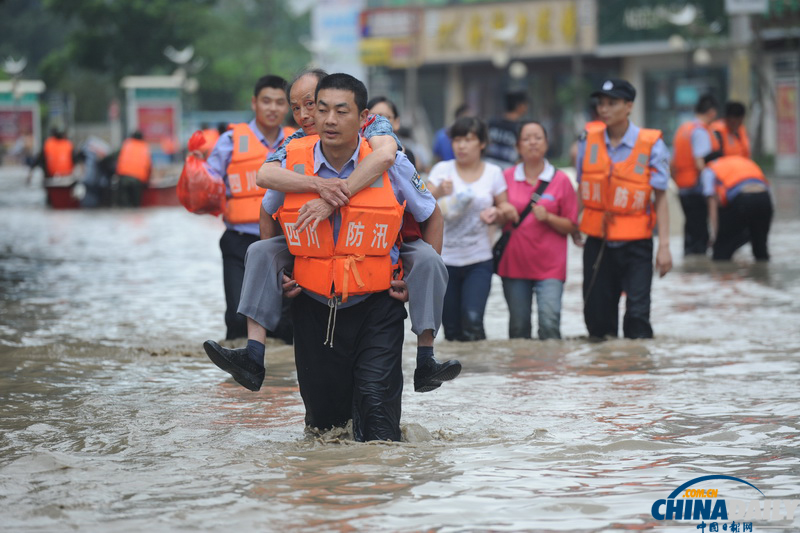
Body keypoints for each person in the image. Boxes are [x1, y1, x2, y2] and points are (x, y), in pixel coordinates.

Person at [204, 69, 459, 394]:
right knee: (259, 252)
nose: (308, 116)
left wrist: (334, 198)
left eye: (316, 105)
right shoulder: (294, 145)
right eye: (298, 108)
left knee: (429, 261)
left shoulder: (378, 132)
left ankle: (426, 358)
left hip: (379, 252)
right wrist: (318, 188)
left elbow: (390, 163)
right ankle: (253, 355)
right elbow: (265, 186)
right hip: (314, 260)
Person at [269, 73, 441, 441]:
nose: (330, 120)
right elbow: (266, 214)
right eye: (323, 109)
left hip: (377, 306)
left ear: (363, 118)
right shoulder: (292, 164)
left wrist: (417, 279)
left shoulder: (391, 162)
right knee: (324, 429)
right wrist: (280, 274)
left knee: (379, 422)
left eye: (341, 111)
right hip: (313, 305)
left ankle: (378, 490)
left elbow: (432, 213)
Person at [575, 78, 672, 340]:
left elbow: (661, 198)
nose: (604, 109)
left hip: (637, 242)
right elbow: (582, 188)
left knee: (638, 316)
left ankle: (637, 372)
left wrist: (664, 246)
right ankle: (605, 375)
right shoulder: (587, 141)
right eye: (601, 103)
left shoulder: (652, 144)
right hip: (598, 240)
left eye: (612, 103)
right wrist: (574, 223)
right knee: (598, 318)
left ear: (628, 106)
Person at [204, 74, 292, 341]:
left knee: (286, 322)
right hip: (239, 241)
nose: (273, 108)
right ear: (254, 103)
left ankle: (281, 378)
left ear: (288, 107)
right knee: (237, 317)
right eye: (266, 101)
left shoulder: (297, 141)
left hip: (286, 242)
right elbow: (207, 182)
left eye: (279, 102)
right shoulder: (230, 141)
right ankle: (235, 372)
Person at [427, 116, 517, 341]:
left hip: (479, 259)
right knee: (451, 328)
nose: (461, 146)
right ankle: (461, 376)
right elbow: (421, 204)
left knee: (473, 319)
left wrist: (497, 213)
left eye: (468, 139)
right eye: (457, 140)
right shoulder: (441, 170)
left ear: (482, 143)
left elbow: (506, 207)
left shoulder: (493, 173)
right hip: (445, 260)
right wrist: (438, 191)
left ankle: (481, 371)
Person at [497, 121, 578, 340]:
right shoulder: (505, 177)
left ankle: (549, 373)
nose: (532, 142)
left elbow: (573, 225)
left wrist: (549, 217)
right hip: (514, 264)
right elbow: (493, 215)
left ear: (546, 143)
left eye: (538, 137)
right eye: (526, 138)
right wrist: (502, 213)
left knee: (550, 324)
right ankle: (522, 373)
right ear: (517, 146)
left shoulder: (561, 181)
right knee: (518, 329)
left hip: (550, 267)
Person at [671, 93, 719, 255]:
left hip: (683, 187)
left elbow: (673, 163)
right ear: (711, 112)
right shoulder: (701, 132)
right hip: (696, 189)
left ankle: (690, 271)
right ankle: (699, 271)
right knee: (700, 234)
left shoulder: (683, 129)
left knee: (690, 230)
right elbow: (700, 163)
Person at [701, 155, 772, 261]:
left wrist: (715, 235)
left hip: (742, 198)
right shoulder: (744, 161)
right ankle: (762, 275)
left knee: (721, 253)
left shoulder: (709, 169)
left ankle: (722, 276)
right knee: (760, 249)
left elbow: (712, 202)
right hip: (765, 199)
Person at [366, 96, 416, 167]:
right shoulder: (358, 151)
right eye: (372, 117)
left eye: (383, 117)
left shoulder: (406, 156)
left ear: (396, 122)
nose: (377, 122)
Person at [485, 90, 529, 169]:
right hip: (508, 172)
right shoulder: (520, 129)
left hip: (487, 168)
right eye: (525, 105)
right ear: (520, 106)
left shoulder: (491, 123)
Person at [115, 131, 152, 207]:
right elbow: (149, 167)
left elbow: (116, 159)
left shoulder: (126, 145)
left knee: (124, 205)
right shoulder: (144, 147)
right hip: (138, 180)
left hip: (123, 178)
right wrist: (147, 182)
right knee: (136, 205)